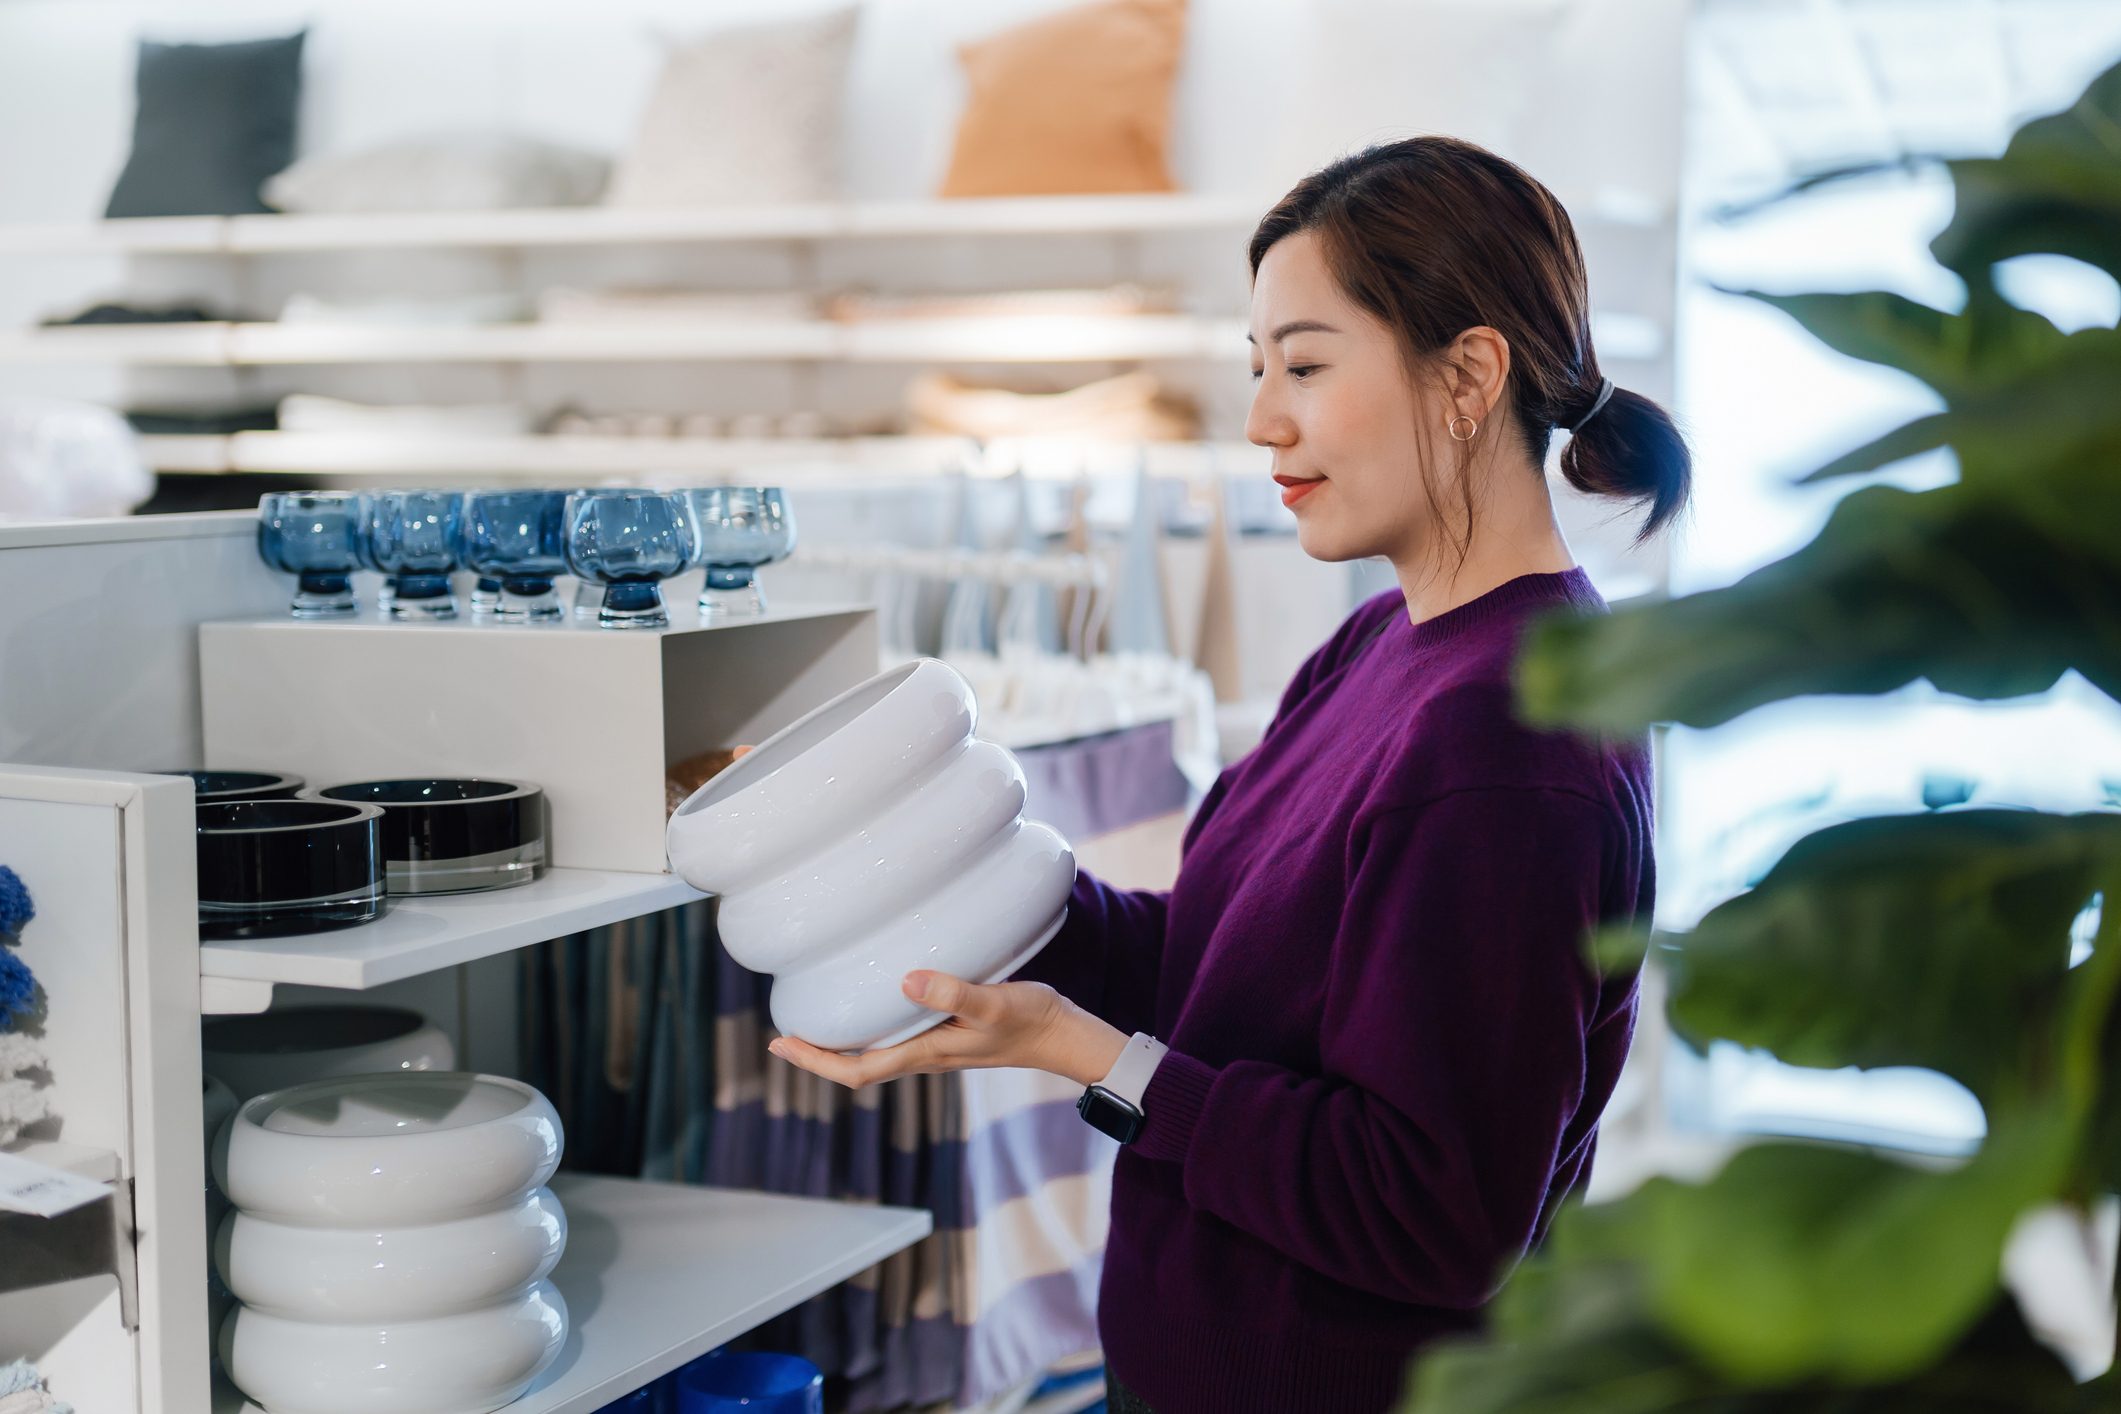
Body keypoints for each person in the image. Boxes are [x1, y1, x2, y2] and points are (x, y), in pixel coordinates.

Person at [768, 136, 1690, 1414]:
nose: (1261, 420)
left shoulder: (1509, 744)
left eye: (1306, 365)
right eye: (1260, 369)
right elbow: (1224, 969)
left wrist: (1089, 1053)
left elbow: (1436, 1213)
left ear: (1470, 375)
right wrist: (991, 905)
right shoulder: (1384, 644)